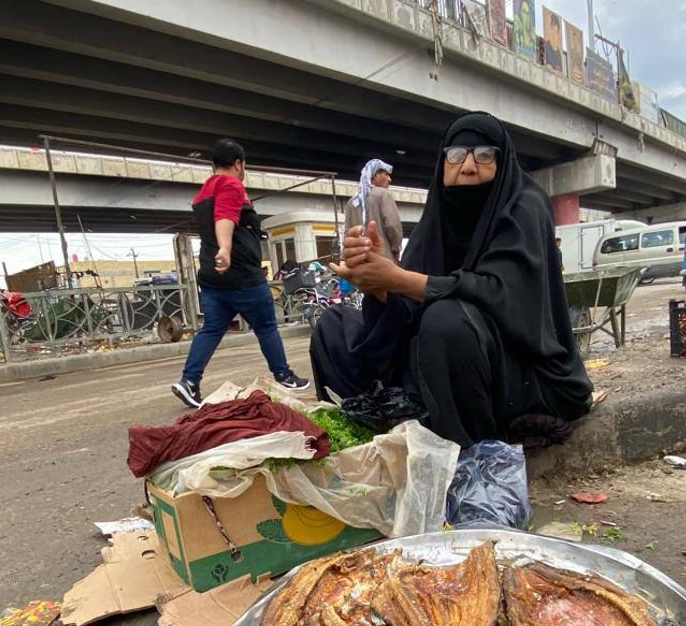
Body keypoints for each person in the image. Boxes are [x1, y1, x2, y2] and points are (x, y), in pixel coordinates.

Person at [310, 111, 593, 447]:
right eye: (457, 155)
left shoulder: (524, 206)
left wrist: (398, 279)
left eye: (484, 155)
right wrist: (378, 286)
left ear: (502, 161)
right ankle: (381, 426)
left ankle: (470, 454)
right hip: (439, 363)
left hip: (517, 370)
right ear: (443, 162)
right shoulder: (439, 213)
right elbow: (406, 309)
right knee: (334, 326)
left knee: (446, 320)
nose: (468, 166)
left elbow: (502, 295)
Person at [171, 138, 309, 408]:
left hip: (213, 278)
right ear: (238, 163)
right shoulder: (231, 184)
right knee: (266, 326)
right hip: (242, 275)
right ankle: (284, 376)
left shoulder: (204, 192)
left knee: (212, 329)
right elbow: (225, 217)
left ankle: (189, 382)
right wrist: (225, 248)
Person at [344, 159, 403, 264]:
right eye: (386, 175)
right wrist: (396, 248)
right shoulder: (384, 194)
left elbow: (347, 234)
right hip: (382, 260)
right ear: (375, 175)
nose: (389, 179)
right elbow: (393, 226)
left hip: (358, 262)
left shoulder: (352, 202)